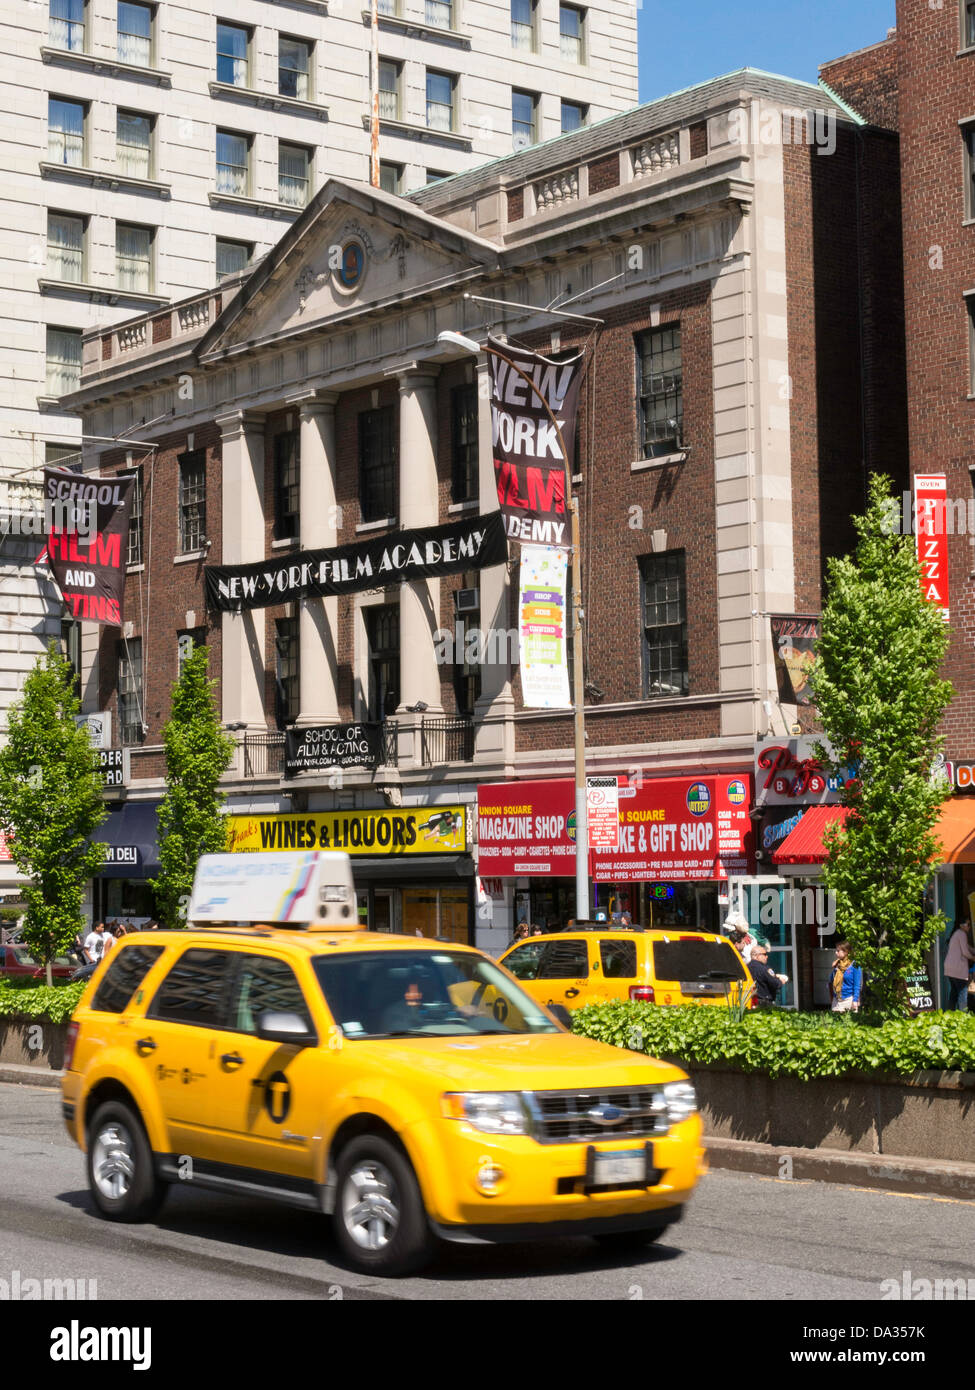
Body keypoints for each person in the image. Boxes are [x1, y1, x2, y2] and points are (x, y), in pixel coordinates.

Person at [944, 921, 975, 1012]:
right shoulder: (961, 934)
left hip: (950, 969)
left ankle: (950, 1014)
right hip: (958, 970)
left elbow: (969, 948)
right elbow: (966, 952)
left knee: (954, 993)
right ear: (962, 925)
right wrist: (973, 958)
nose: (969, 927)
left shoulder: (956, 934)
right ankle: (963, 1016)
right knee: (962, 993)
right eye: (968, 924)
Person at [829, 940, 862, 1013]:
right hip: (837, 1000)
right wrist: (834, 970)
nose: (836, 952)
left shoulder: (855, 965)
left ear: (846, 952)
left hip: (849, 1000)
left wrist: (855, 1001)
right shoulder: (837, 964)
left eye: (838, 951)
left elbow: (857, 985)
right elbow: (831, 981)